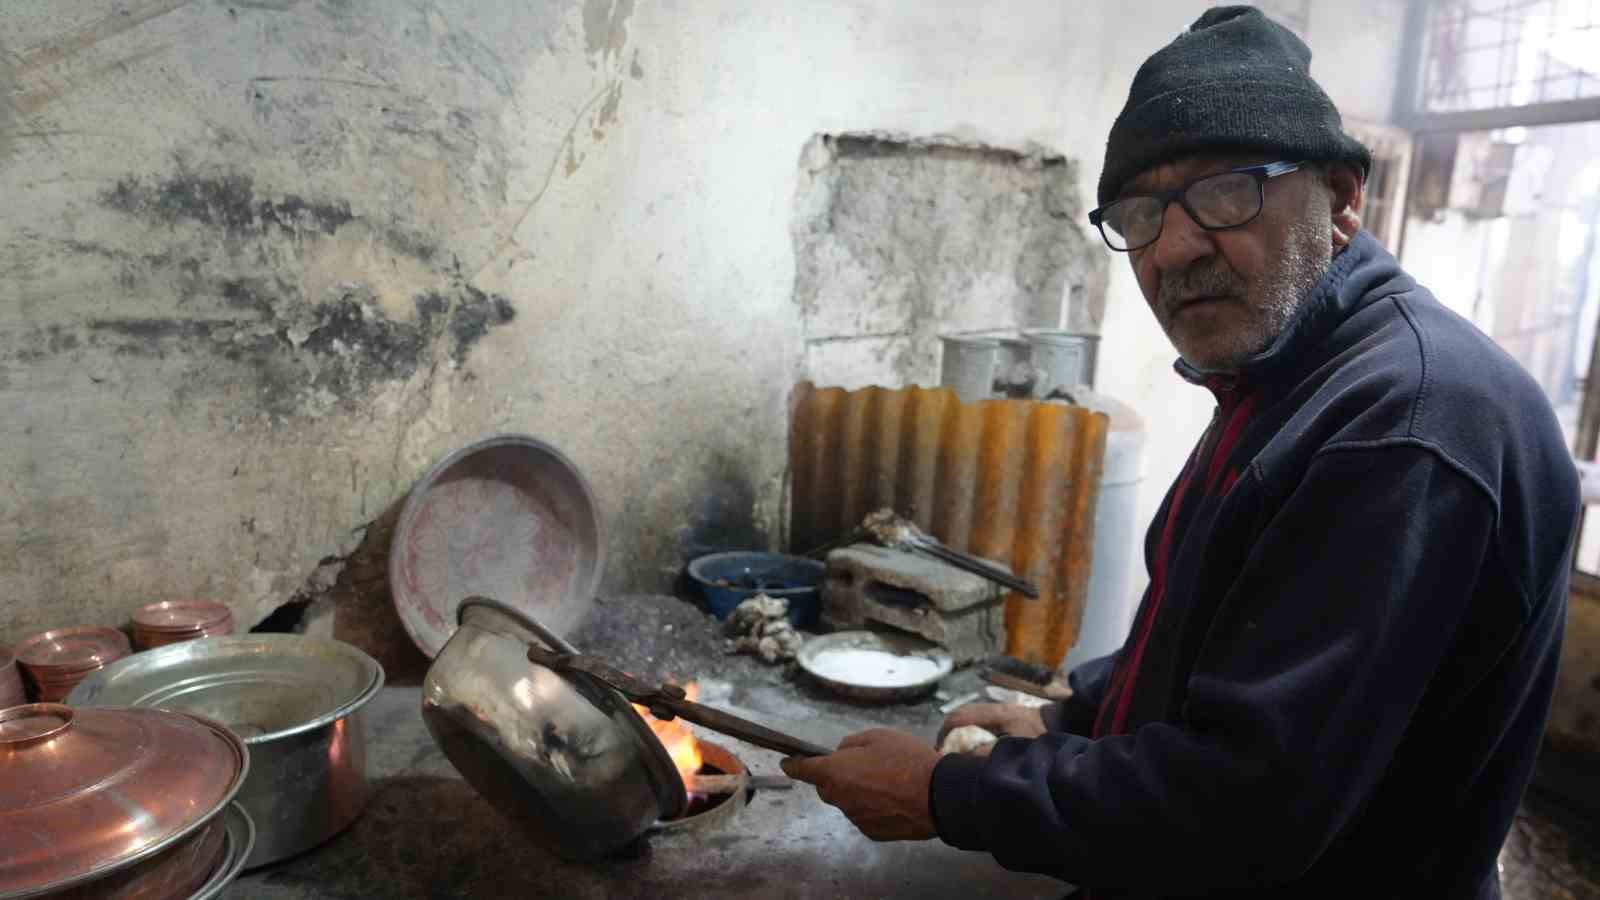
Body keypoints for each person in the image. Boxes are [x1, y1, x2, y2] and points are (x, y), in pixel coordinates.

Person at [781, 6, 1581, 897]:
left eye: (1227, 190)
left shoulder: (1405, 423)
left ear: (1342, 197)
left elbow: (1248, 807)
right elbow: (1213, 633)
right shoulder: (1286, 374)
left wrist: (951, 794)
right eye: (1141, 212)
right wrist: (1068, 716)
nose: (1174, 247)